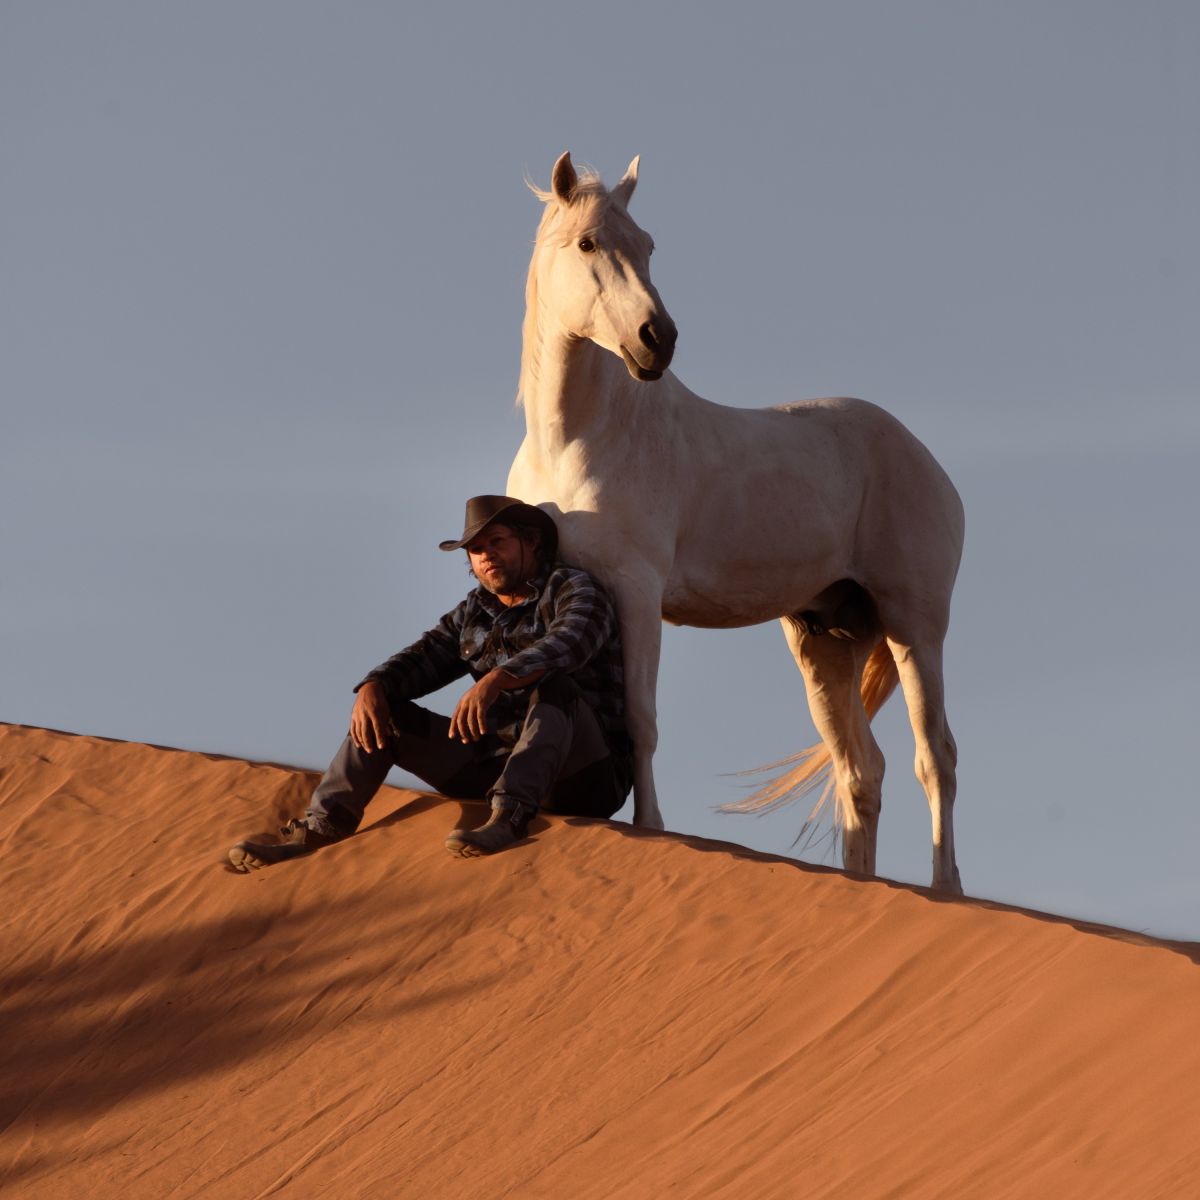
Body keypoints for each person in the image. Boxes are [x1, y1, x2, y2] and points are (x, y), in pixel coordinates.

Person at [228, 495, 632, 871]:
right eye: (476, 549)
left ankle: (509, 819)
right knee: (389, 714)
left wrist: (498, 678)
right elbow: (423, 657)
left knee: (554, 686)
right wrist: (374, 686)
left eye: (498, 541)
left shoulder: (573, 588)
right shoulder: (474, 611)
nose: (487, 555)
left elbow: (571, 642)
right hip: (496, 764)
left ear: (531, 543)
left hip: (583, 775)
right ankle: (320, 828)